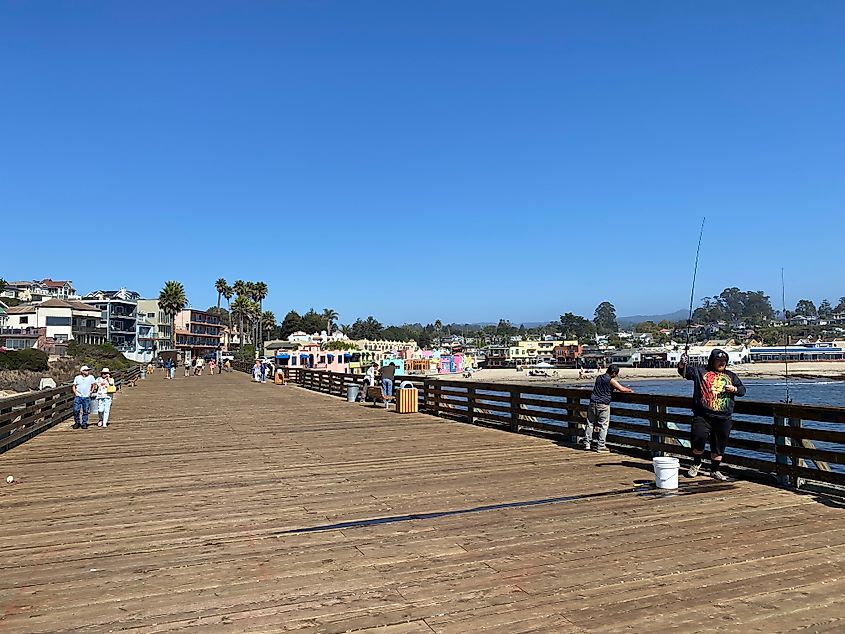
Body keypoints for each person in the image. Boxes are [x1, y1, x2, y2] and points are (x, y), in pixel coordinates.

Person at [678, 348, 746, 480]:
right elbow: (685, 372)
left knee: (719, 446)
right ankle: (696, 462)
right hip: (703, 415)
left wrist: (734, 389)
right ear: (712, 361)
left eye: (724, 361)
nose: (721, 363)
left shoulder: (731, 376)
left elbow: (742, 390)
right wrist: (682, 363)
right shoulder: (700, 372)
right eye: (718, 360)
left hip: (723, 417)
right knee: (698, 439)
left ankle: (715, 470)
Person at [581, 364, 633, 453]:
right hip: (603, 404)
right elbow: (622, 389)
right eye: (616, 374)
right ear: (613, 373)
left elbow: (603, 388)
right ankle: (601, 446)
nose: (616, 375)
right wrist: (630, 390)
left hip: (593, 402)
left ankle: (587, 443)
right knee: (603, 425)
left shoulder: (599, 377)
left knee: (590, 423)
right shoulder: (611, 380)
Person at [72, 365, 97, 429]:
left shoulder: (91, 377)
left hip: (86, 396)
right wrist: (75, 393)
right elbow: (74, 386)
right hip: (78, 396)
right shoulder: (77, 377)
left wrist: (91, 392)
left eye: (88, 370)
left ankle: (84, 423)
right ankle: (77, 422)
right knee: (76, 410)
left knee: (85, 411)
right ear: (82, 371)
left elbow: (94, 385)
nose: (87, 371)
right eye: (86, 370)